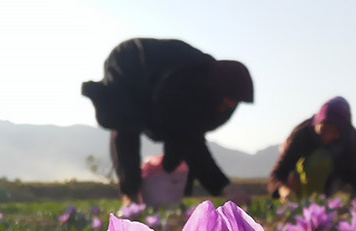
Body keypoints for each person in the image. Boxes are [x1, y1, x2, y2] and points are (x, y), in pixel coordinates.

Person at [81, 38, 254, 206]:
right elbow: (192, 141)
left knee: (177, 149)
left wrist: (225, 187)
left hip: (157, 85)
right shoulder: (188, 85)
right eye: (228, 99)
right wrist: (225, 187)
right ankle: (130, 196)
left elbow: (188, 136)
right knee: (126, 124)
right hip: (129, 63)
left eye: (235, 102)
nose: (230, 105)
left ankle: (163, 196)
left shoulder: (211, 89)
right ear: (217, 90)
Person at [268, 96, 356, 200]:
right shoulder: (303, 134)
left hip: (334, 182)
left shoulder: (349, 139)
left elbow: (352, 173)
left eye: (333, 132)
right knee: (321, 157)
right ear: (317, 123)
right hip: (301, 186)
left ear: (342, 130)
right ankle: (310, 205)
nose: (327, 136)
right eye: (323, 129)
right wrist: (283, 190)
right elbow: (277, 174)